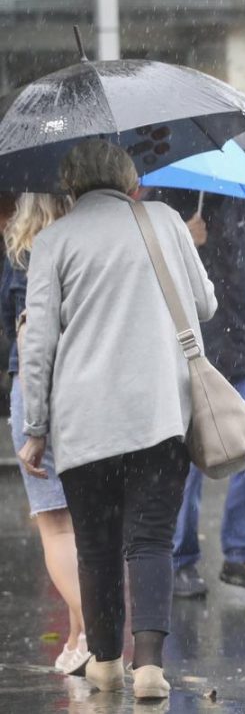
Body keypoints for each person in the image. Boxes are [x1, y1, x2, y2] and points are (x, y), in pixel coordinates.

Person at [18, 140, 216, 699]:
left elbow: (39, 347)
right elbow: (205, 304)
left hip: (85, 421)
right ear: (129, 178)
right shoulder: (165, 221)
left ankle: (105, 661)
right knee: (152, 538)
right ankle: (150, 666)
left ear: (71, 185)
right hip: (159, 411)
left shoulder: (53, 241)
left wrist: (35, 428)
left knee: (97, 543)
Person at [146, 188, 245, 597]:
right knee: (186, 460)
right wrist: (182, 243)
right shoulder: (161, 199)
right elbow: (144, 275)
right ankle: (179, 559)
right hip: (186, 351)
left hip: (242, 346)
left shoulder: (244, 198)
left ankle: (242, 552)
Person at [0, 192, 91, 675]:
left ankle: (96, 630)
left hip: (35, 388)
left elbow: (17, 330)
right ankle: (79, 636)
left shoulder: (22, 250)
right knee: (84, 520)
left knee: (54, 524)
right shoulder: (83, 243)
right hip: (84, 388)